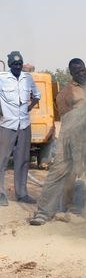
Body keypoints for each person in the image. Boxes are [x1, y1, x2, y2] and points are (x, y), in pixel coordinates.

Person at [30, 58, 86, 225]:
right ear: (71, 73)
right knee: (57, 172)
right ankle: (43, 212)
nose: (81, 74)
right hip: (69, 138)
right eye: (77, 72)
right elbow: (68, 118)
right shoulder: (66, 92)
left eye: (83, 70)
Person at [0, 51, 41, 206]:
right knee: (2, 160)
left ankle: (22, 194)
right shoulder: (2, 78)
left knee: (23, 160)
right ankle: (1, 194)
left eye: (19, 64)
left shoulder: (28, 78)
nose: (17, 66)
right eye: (14, 64)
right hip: (6, 125)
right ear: (10, 65)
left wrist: (28, 108)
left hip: (24, 125)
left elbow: (37, 95)